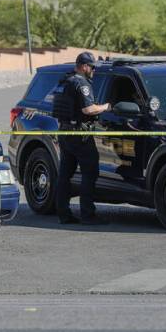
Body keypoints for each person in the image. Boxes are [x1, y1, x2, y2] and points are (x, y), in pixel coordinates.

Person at [52, 51, 112, 225]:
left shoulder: (64, 81)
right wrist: (106, 107)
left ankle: (63, 213)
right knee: (90, 172)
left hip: (64, 132)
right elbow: (88, 110)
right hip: (79, 134)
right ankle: (88, 214)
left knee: (65, 174)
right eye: (92, 67)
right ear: (84, 66)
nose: (93, 70)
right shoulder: (81, 83)